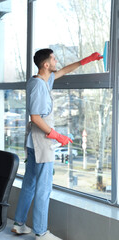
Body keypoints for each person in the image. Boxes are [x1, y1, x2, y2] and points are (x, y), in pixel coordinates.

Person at [11, 49, 102, 240]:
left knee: (30, 183)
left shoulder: (44, 80)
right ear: (45, 64)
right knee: (43, 187)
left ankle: (19, 224)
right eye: (53, 58)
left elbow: (64, 70)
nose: (56, 61)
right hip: (41, 141)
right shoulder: (37, 85)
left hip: (35, 142)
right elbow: (35, 117)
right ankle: (41, 232)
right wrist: (57, 136)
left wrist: (85, 60)